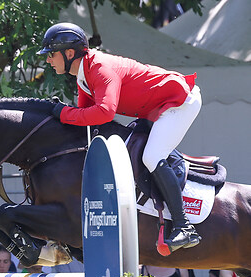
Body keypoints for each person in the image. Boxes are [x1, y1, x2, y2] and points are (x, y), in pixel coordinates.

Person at [38, 22, 202, 253]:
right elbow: (88, 122)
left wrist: (63, 113)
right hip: (155, 108)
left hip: (178, 103)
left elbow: (104, 111)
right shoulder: (84, 76)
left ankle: (184, 227)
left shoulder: (100, 68)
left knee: (152, 157)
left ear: (69, 53)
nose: (48, 60)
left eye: (51, 54)